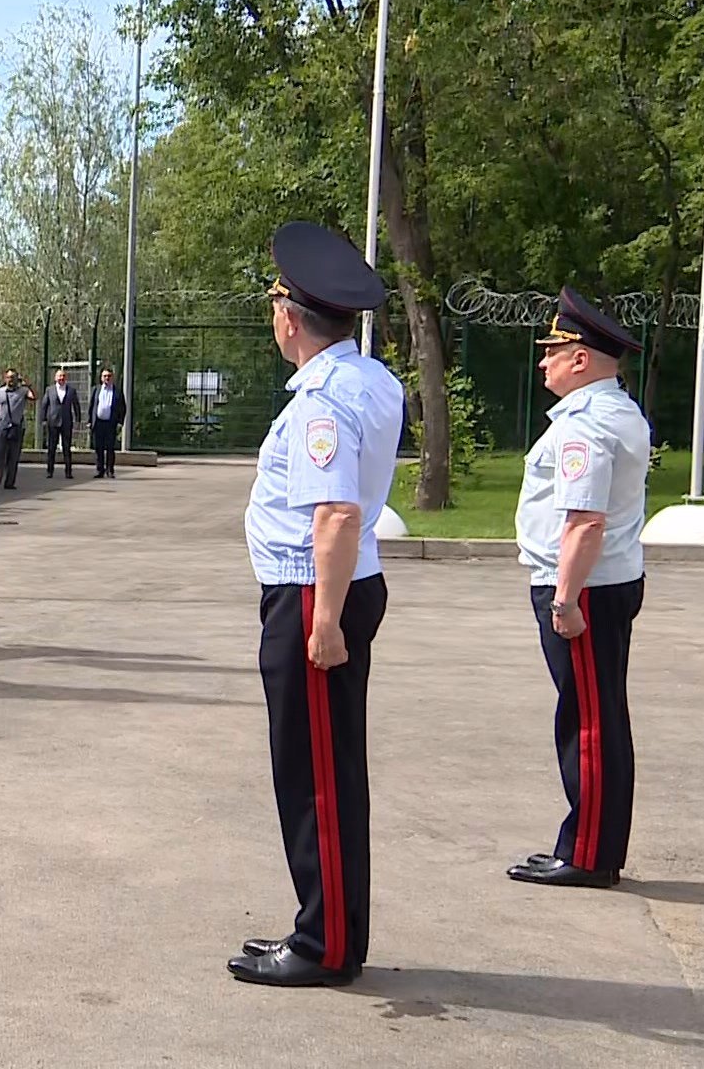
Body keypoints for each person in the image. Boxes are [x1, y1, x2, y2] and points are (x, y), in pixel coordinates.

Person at [231, 221, 401, 988]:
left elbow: (334, 514)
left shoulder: (323, 402)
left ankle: (325, 943)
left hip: (312, 594)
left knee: (315, 778)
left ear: (290, 317)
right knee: (324, 771)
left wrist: (323, 619)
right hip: (327, 587)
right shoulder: (367, 379)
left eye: (274, 305)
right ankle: (329, 926)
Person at [506, 288, 650, 890]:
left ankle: (588, 854)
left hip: (583, 591)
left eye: (552, 351)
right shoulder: (618, 413)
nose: (544, 362)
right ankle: (591, 844)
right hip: (604, 583)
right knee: (597, 716)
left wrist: (565, 599)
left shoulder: (585, 427)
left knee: (588, 723)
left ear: (581, 358)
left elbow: (584, 521)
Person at [0, 370, 34, 491]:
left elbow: (34, 397)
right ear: (5, 378)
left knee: (13, 457)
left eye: (13, 377)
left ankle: (10, 482)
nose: (11, 380)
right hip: (2, 427)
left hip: (16, 427)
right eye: (8, 377)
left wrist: (28, 384)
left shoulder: (23, 391)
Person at [39, 368, 80, 479]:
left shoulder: (71, 390)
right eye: (59, 376)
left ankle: (68, 472)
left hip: (66, 422)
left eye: (63, 376)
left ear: (66, 378)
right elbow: (44, 405)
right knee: (51, 448)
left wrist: (78, 419)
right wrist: (43, 419)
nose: (61, 378)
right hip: (52, 422)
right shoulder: (49, 390)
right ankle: (50, 471)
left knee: (67, 448)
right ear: (55, 378)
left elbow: (76, 405)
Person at [88, 368, 128, 479]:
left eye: (109, 376)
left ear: (112, 378)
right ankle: (99, 470)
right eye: (105, 376)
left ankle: (110, 470)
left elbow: (122, 408)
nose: (107, 378)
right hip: (98, 423)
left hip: (111, 423)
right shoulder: (96, 390)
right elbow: (91, 406)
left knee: (110, 448)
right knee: (98, 448)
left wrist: (120, 422)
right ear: (101, 378)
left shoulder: (117, 391)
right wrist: (89, 421)